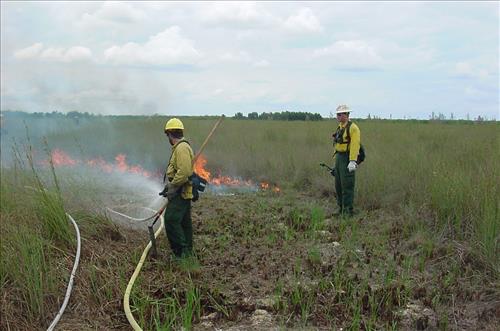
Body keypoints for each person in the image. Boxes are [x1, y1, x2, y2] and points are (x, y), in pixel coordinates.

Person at [159, 118, 195, 258]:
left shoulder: (181, 148)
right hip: (181, 191)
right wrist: (170, 187)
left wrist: (172, 186)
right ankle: (188, 252)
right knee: (184, 222)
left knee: (171, 220)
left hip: (180, 192)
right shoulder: (181, 147)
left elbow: (184, 171)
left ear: (169, 133)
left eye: (167, 134)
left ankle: (180, 254)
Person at [332, 105, 361, 217]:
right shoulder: (340, 127)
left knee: (347, 186)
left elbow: (355, 145)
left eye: (340, 114)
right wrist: (335, 162)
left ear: (346, 115)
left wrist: (353, 161)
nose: (338, 116)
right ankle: (340, 209)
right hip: (339, 158)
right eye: (337, 114)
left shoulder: (353, 128)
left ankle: (348, 212)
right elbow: (337, 144)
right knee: (338, 186)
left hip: (347, 158)